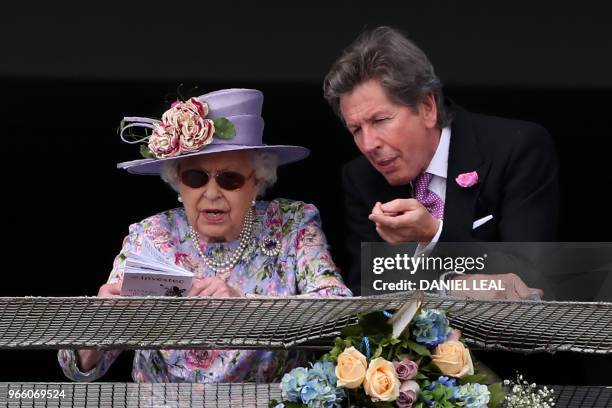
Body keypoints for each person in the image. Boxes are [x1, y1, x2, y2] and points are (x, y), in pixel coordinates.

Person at [58, 88, 351, 382]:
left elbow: (339, 312)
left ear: (258, 181)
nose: (211, 194)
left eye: (230, 179)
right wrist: (100, 324)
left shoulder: (292, 224)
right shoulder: (149, 235)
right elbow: (77, 368)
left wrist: (247, 307)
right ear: (177, 181)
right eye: (195, 178)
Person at [323, 26, 559, 298]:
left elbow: (529, 277)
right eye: (356, 130)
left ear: (427, 108)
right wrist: (450, 287)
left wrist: (434, 235)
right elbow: (368, 292)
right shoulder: (360, 177)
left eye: (380, 121)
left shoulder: (517, 148)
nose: (368, 144)